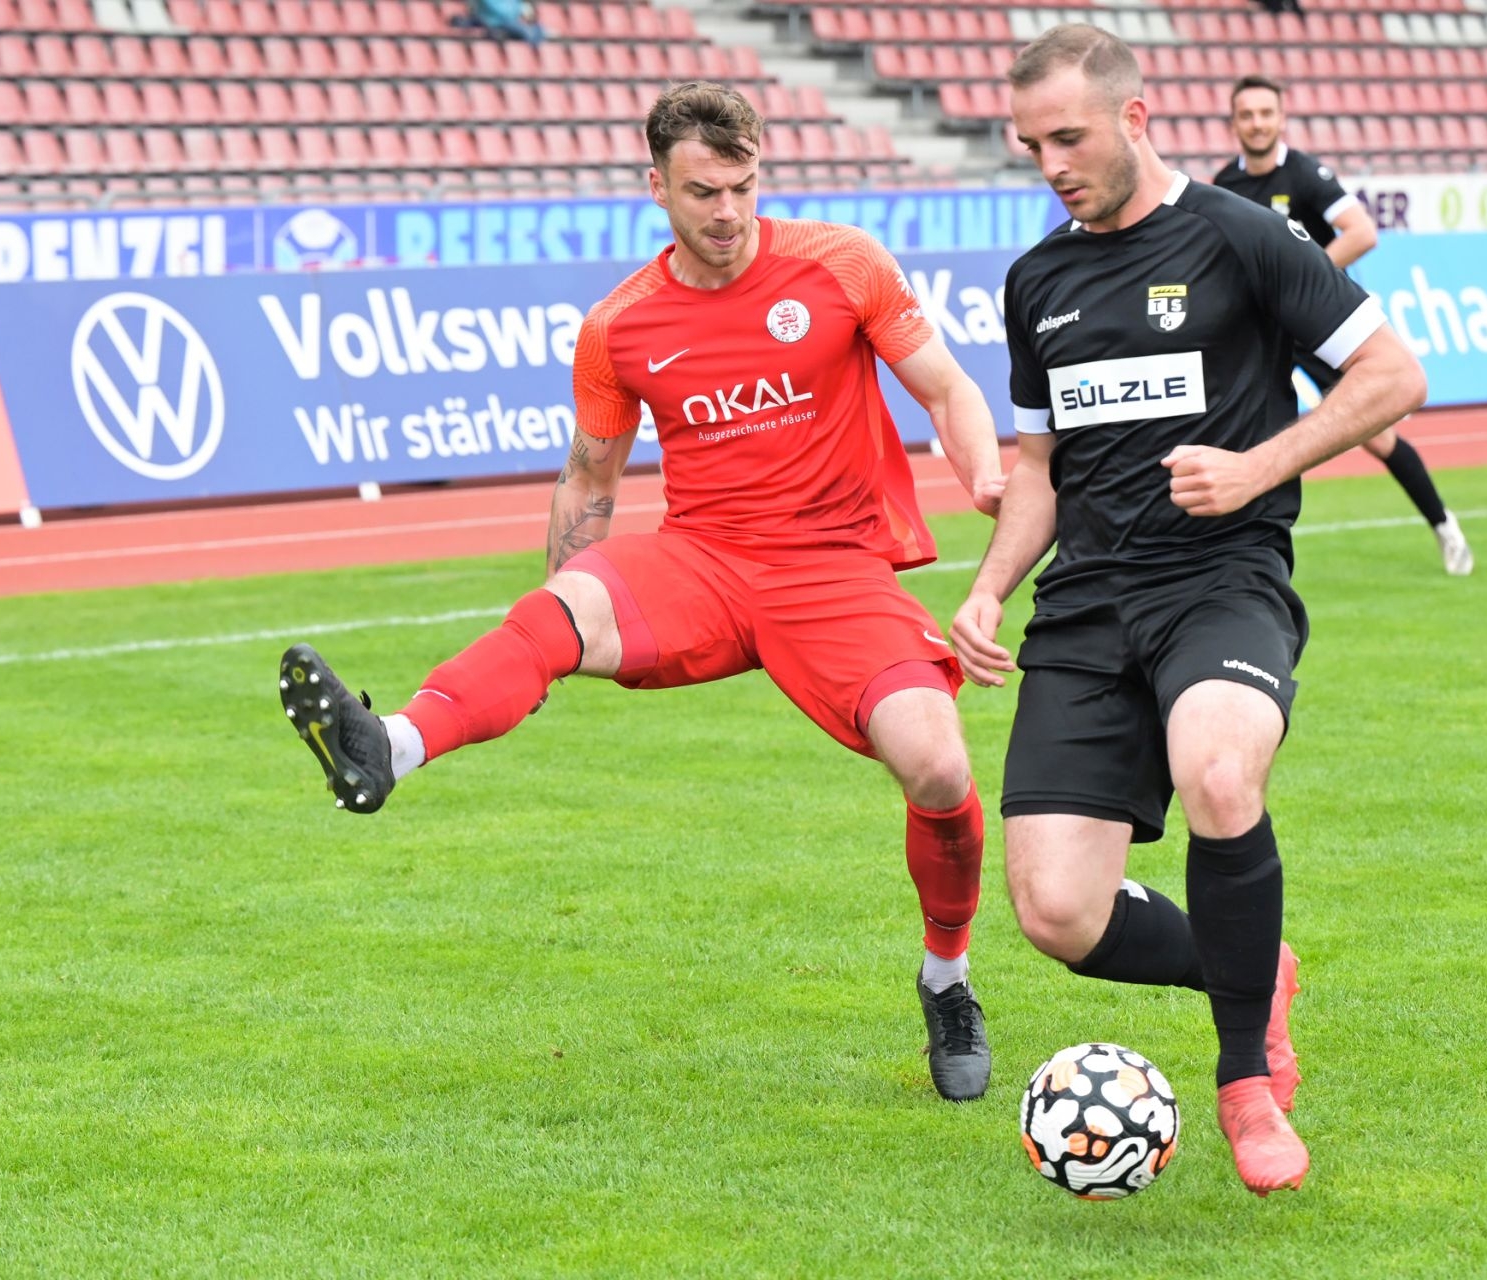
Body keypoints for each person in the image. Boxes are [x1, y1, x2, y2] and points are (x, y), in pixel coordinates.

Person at [278, 81, 1006, 1103]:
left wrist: (984, 474)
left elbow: (948, 388)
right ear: (656, 185)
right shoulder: (619, 325)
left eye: (744, 187)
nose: (727, 211)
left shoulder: (842, 263)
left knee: (937, 767)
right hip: (701, 557)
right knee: (560, 608)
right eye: (703, 191)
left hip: (833, 568)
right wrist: (549, 633)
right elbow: (590, 479)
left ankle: (947, 978)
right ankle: (388, 744)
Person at [950, 24, 1426, 1195]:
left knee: (1219, 770)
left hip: (1220, 580)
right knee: (1057, 913)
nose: (1052, 164)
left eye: (1069, 137)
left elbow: (1393, 376)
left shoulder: (1240, 233)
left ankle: (1244, 1083)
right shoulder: (1038, 280)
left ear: (1136, 116)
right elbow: (1038, 466)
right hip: (1086, 605)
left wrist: (1257, 467)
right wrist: (989, 586)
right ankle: (1257, 965)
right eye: (1031, 145)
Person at [1213, 74, 1473, 576]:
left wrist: (1299, 286)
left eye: (1266, 113)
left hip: (1315, 330)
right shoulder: (1225, 185)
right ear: (1234, 123)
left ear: (1282, 118)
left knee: (1376, 436)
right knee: (1234, 430)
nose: (1257, 123)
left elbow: (1362, 232)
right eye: (1247, 115)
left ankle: (1444, 525)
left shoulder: (1307, 174)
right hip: (1260, 334)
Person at [448, 0, 544, 44]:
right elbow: (499, 11)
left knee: (538, 31)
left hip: (506, 23)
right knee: (526, 32)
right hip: (493, 22)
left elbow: (516, 8)